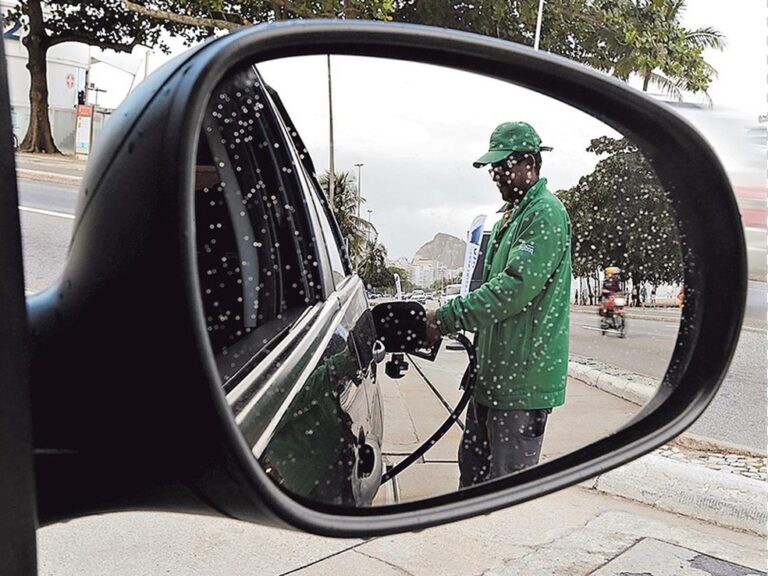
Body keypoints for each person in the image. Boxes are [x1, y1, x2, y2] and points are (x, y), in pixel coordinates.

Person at [424, 121, 571, 487]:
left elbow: (512, 289)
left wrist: (443, 319)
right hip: (491, 379)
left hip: (520, 387)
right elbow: (491, 293)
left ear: (529, 163)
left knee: (501, 493)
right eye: (492, 168)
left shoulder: (545, 213)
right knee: (471, 481)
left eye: (503, 166)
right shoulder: (511, 217)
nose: (496, 175)